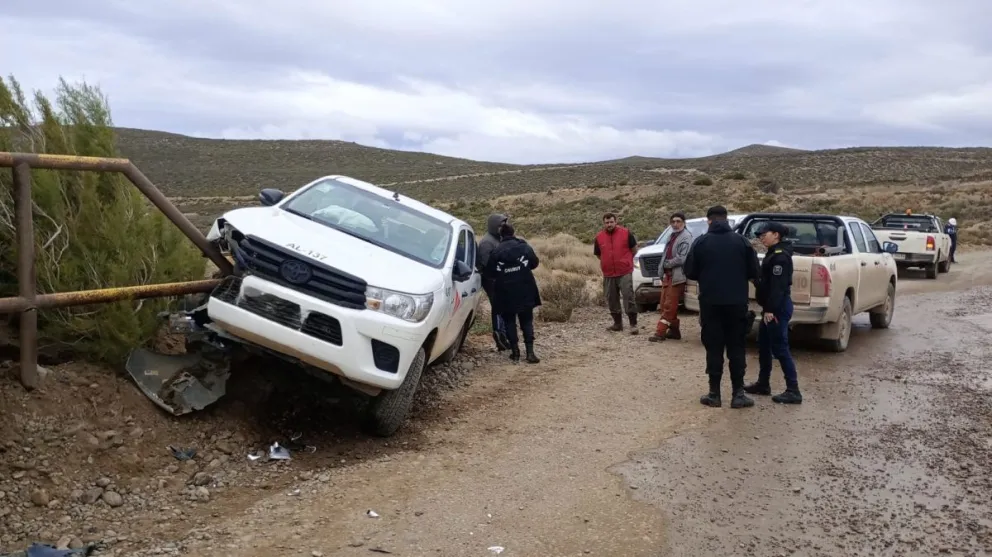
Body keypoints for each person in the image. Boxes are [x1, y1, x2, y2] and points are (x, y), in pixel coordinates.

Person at [684, 205, 760, 409]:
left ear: (709, 220)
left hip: (710, 303)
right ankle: (738, 394)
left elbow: (689, 271)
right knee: (736, 347)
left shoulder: (701, 242)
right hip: (736, 303)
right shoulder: (742, 242)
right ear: (726, 220)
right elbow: (754, 271)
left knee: (714, 347)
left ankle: (714, 394)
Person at [743, 222, 802, 404]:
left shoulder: (780, 257)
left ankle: (793, 390)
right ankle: (763, 383)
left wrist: (770, 310)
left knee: (780, 348)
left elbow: (778, 287)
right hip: (771, 306)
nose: (761, 237)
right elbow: (767, 282)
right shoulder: (773, 253)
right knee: (764, 345)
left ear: (776, 235)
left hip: (777, 307)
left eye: (764, 234)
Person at [486, 222, 542, 363]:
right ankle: (530, 352)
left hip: (505, 292)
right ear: (513, 232)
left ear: (501, 235)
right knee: (527, 321)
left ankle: (515, 352)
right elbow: (534, 263)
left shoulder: (496, 251)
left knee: (509, 322)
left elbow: (490, 272)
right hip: (525, 289)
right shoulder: (524, 247)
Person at [649, 212, 693, 342]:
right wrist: (661, 269)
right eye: (673, 222)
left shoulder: (686, 237)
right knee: (664, 304)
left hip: (677, 276)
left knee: (669, 305)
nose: (675, 224)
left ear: (684, 223)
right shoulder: (671, 236)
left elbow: (682, 258)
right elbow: (665, 254)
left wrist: (667, 264)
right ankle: (674, 331)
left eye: (678, 221)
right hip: (668, 275)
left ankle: (660, 332)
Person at [593, 212, 639, 334]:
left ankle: (633, 324)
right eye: (607, 222)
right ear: (604, 223)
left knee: (628, 296)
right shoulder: (599, 237)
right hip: (608, 273)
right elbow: (598, 254)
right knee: (612, 298)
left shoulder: (626, 233)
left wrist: (625, 261)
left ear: (616, 221)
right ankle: (617, 324)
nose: (609, 224)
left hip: (624, 271)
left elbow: (634, 249)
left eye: (611, 222)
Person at [477, 213, 512, 351]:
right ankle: (499, 334)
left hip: (499, 278)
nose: (502, 227)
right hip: (491, 280)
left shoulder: (498, 239)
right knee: (498, 306)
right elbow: (487, 264)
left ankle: (503, 334)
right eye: (500, 225)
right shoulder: (487, 242)